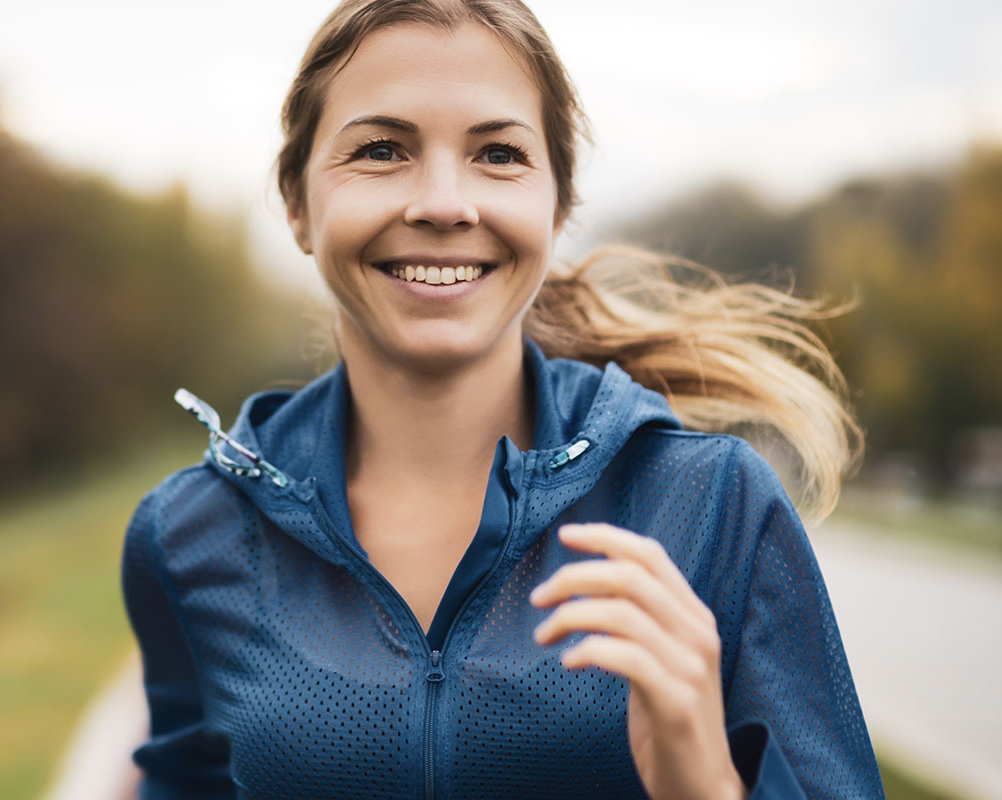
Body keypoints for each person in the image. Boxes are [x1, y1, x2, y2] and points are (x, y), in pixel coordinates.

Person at [120, 1, 886, 797]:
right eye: (382, 149)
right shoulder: (186, 537)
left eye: (498, 153)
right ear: (297, 204)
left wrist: (706, 787)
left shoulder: (714, 505)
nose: (445, 203)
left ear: (557, 207)